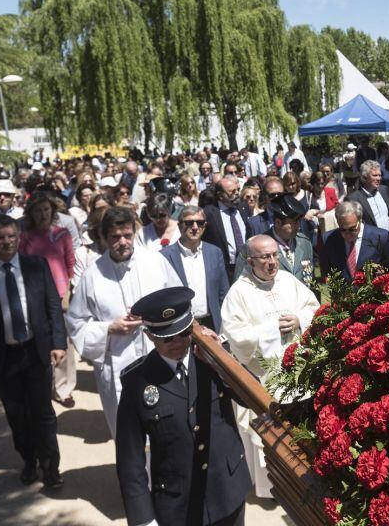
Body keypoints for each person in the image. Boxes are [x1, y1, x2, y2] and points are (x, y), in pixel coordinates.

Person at [115, 287, 250, 526]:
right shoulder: (137, 382)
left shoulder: (212, 358)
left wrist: (221, 361)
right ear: (149, 335)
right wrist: (143, 518)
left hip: (226, 489)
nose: (177, 342)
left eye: (184, 333)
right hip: (178, 504)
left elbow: (250, 397)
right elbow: (130, 459)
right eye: (167, 337)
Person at [0, 215, 67, 489]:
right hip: (3, 357)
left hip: (36, 352)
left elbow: (53, 306)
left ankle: (51, 467)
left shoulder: (36, 266)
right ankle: (29, 461)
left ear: (19, 237)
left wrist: (58, 342)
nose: (6, 242)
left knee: (42, 412)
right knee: (17, 416)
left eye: (11, 236)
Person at [66, 207, 183, 438]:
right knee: (130, 435)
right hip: (118, 363)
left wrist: (155, 318)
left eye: (127, 235)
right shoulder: (92, 275)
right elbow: (76, 322)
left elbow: (178, 302)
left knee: (168, 431)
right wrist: (109, 328)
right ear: (103, 237)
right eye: (115, 237)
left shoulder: (155, 262)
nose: (122, 242)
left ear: (134, 233)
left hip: (160, 357)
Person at [221, 234, 319, 500]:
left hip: (299, 370)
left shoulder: (287, 280)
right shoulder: (239, 293)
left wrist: (299, 318)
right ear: (250, 260)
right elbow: (235, 337)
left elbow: (313, 307)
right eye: (265, 257)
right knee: (274, 434)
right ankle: (277, 486)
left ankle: (306, 479)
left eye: (275, 255)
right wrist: (270, 328)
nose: (273, 262)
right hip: (266, 376)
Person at [18, 190, 77, 409]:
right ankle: (44, 384)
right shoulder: (25, 238)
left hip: (60, 293)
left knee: (64, 342)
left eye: (46, 209)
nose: (42, 214)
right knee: (39, 340)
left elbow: (70, 263)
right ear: (31, 213)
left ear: (52, 211)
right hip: (34, 294)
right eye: (38, 210)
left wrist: (70, 289)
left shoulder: (62, 234)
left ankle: (64, 388)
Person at [160, 206, 231, 331]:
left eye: (200, 223)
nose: (195, 227)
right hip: (181, 325)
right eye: (189, 223)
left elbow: (223, 293)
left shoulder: (215, 252)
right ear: (179, 225)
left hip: (212, 324)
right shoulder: (164, 256)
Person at [235, 195, 315, 287]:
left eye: (298, 222)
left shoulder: (304, 243)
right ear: (278, 223)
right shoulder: (256, 246)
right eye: (293, 223)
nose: (298, 227)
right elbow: (240, 284)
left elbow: (311, 282)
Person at [322, 201, 389, 283]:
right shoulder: (329, 239)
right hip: (344, 294)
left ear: (360, 220)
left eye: (352, 229)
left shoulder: (380, 237)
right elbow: (327, 271)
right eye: (342, 229)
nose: (347, 234)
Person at [202, 176, 251, 283]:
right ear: (220, 195)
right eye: (232, 191)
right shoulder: (209, 213)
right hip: (224, 269)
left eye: (237, 190)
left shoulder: (243, 207)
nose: (237, 193)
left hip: (247, 267)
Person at [345, 160, 389, 240]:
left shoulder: (384, 190)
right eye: (374, 175)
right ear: (364, 177)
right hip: (371, 243)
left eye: (380, 175)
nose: (378, 178)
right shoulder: (353, 199)